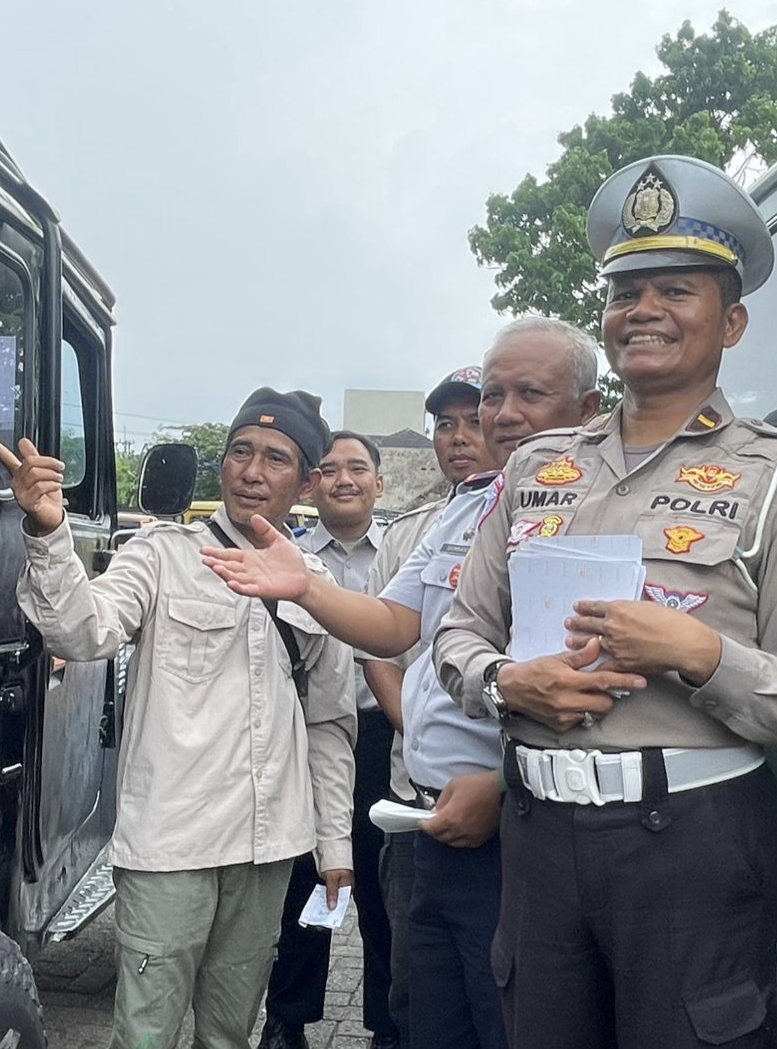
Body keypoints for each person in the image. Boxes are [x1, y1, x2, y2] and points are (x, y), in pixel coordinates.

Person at [434, 154, 777, 1049]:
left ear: (731, 320)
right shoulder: (535, 465)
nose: (644, 311)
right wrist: (511, 683)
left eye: (677, 289)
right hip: (539, 833)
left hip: (694, 844)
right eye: (627, 291)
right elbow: (461, 630)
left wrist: (699, 654)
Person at [202, 321, 609, 1049]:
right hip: (429, 819)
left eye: (529, 394)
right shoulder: (469, 504)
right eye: (491, 397)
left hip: (519, 824)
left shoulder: (598, 507)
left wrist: (504, 780)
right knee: (427, 1016)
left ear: (588, 408)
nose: (501, 414)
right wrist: (307, 589)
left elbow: (592, 688)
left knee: (509, 1021)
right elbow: (393, 623)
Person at [0, 387, 357, 1049]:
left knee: (228, 1034)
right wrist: (48, 531)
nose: (251, 469)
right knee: (146, 1032)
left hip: (268, 845)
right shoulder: (160, 555)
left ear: (304, 480)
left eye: (275, 457)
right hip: (170, 843)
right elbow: (82, 631)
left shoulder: (318, 582)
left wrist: (334, 848)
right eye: (240, 451)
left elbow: (328, 725)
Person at [362, 365, 494, 1048]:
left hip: (500, 798)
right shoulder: (416, 527)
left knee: (495, 992)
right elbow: (381, 636)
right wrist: (414, 726)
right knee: (414, 979)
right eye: (445, 424)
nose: (459, 436)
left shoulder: (534, 513)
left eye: (473, 419)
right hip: (415, 786)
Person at [262, 431, 398, 1049]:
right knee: (302, 879)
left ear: (379, 482)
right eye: (331, 470)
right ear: (312, 484)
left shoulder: (399, 555)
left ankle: (386, 1025)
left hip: (379, 735)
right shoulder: (284, 552)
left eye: (358, 469)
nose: (344, 479)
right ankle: (287, 1017)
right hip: (305, 736)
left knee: (377, 886)